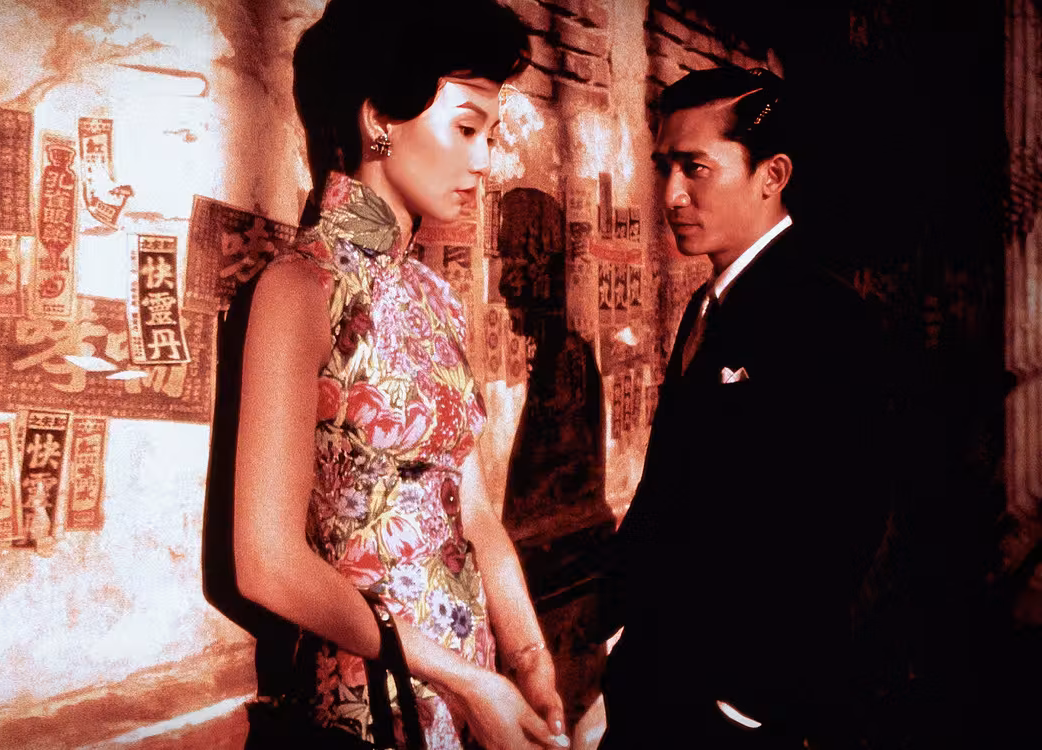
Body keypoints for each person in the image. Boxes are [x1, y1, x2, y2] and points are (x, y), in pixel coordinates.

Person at [204, 1, 570, 747]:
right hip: (367, 710)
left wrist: (529, 659)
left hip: (473, 699)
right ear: (378, 120)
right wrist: (466, 681)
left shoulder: (435, 297)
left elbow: (474, 513)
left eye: (490, 135)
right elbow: (266, 564)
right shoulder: (300, 288)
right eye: (466, 128)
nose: (483, 161)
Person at [597, 67, 895, 749]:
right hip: (658, 674)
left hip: (738, 703)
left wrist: (751, 697)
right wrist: (619, 623)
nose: (672, 195)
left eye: (696, 168)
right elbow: (674, 484)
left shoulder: (824, 314)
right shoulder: (708, 306)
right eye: (666, 168)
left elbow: (845, 519)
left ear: (773, 174)